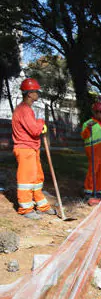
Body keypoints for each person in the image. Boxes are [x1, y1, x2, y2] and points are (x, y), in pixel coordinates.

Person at [11, 78, 55, 219]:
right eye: (36, 91)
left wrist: (39, 125)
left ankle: (41, 205)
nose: (38, 94)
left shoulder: (27, 109)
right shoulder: (24, 109)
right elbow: (35, 130)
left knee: (37, 178)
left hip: (31, 148)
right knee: (26, 179)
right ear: (29, 93)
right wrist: (41, 123)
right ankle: (26, 208)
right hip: (25, 148)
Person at [81, 102, 101, 198]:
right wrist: (88, 128)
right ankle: (88, 191)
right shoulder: (87, 123)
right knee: (93, 171)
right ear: (94, 112)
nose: (100, 114)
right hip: (93, 151)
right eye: (98, 112)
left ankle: (99, 191)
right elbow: (84, 136)